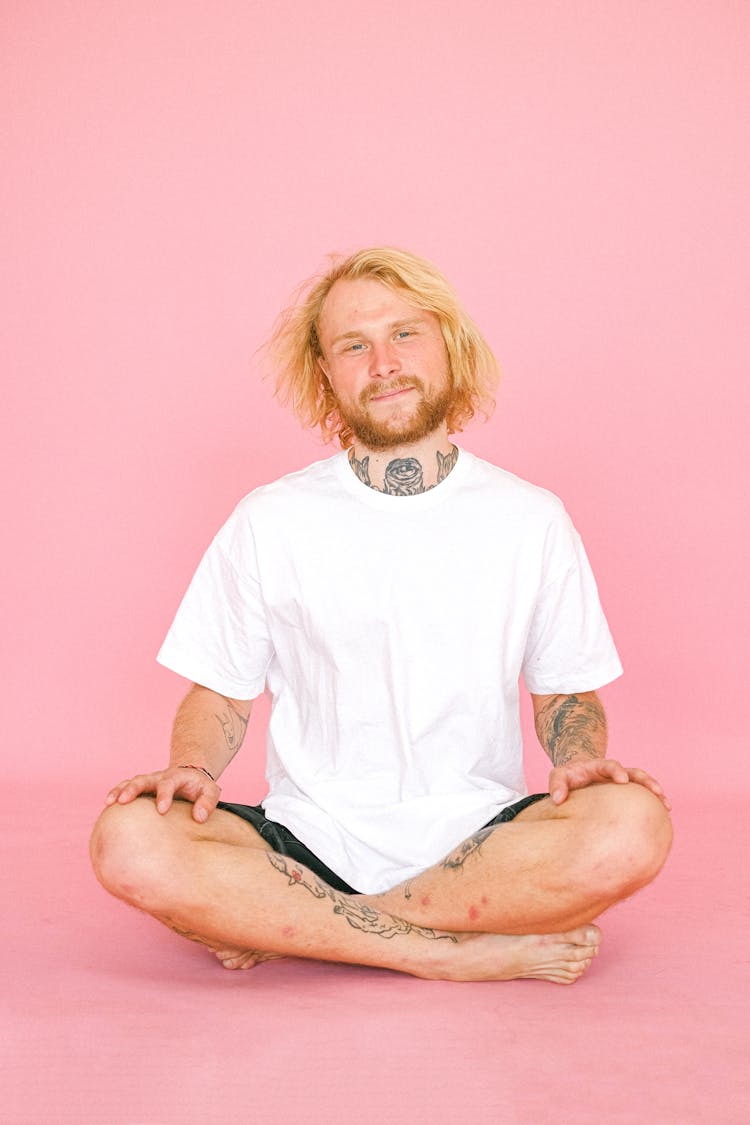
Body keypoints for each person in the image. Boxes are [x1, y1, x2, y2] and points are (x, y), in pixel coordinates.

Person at [90, 247, 672, 984]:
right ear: (326, 375)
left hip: (483, 841)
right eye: (354, 345)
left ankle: (299, 926)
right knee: (128, 839)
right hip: (302, 842)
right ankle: (439, 951)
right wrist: (191, 769)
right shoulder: (271, 519)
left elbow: (565, 692)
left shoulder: (531, 519)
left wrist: (578, 759)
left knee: (631, 823)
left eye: (405, 334)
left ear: (449, 347)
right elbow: (221, 690)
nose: (384, 361)